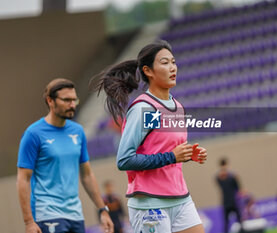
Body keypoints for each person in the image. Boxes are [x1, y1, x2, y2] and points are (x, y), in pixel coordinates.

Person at [92, 40, 207, 233]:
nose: (172, 67)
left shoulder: (177, 107)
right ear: (148, 71)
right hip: (150, 204)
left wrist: (187, 155)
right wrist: (172, 157)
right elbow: (125, 160)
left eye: (173, 62)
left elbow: (161, 149)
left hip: (180, 198)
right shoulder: (147, 109)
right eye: (165, 63)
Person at [17, 78, 114, 233]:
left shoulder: (78, 131)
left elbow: (87, 175)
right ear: (50, 101)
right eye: (66, 100)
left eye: (74, 100)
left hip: (76, 215)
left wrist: (103, 210)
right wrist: (28, 221)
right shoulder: (33, 134)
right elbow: (23, 178)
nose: (72, 105)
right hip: (48, 214)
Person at [216, 158, 242, 233]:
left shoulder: (232, 176)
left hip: (234, 201)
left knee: (239, 222)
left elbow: (238, 188)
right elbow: (218, 181)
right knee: (226, 223)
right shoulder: (219, 176)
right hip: (226, 202)